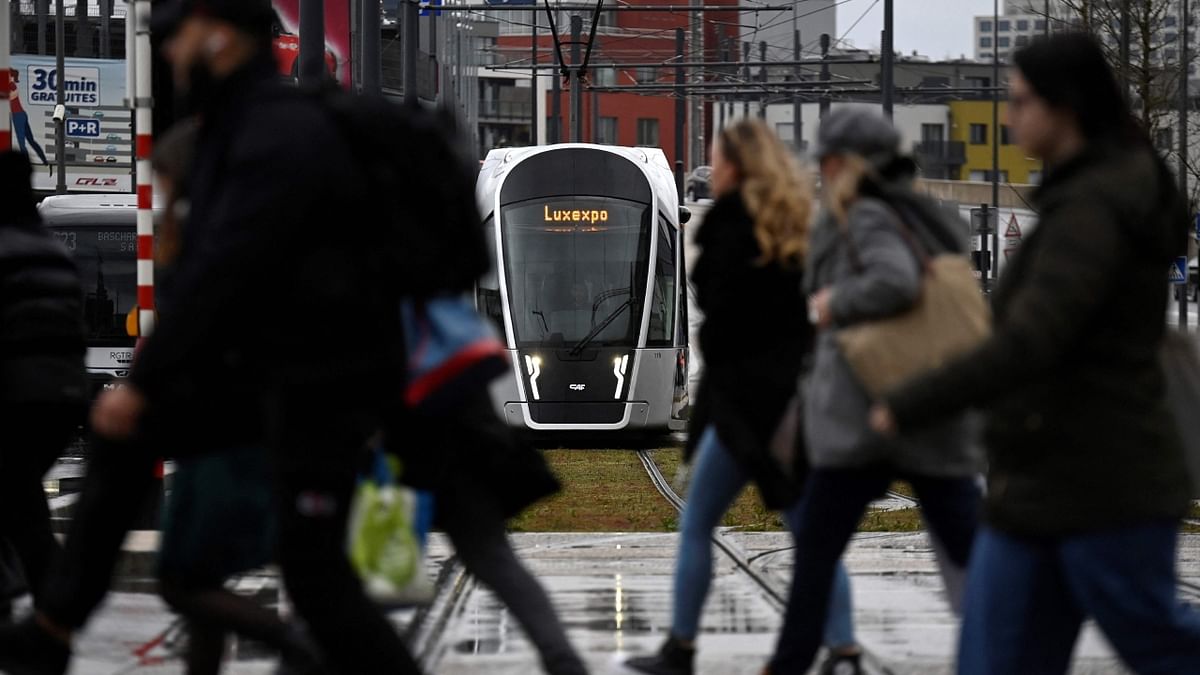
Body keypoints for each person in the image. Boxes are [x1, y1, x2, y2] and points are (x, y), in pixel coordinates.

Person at [0, 1, 422, 673]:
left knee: (314, 582)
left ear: (221, 36)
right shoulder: (243, 129)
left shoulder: (270, 135)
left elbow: (222, 273)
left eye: (175, 38)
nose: (168, 54)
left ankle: (56, 624)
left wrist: (144, 382)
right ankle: (55, 622)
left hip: (314, 394)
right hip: (288, 384)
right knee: (258, 563)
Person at [871, 33, 1200, 675]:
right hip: (1041, 481)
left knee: (1156, 640)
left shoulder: (1097, 207)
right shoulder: (1082, 196)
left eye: (1021, 100)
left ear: (1065, 107)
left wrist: (909, 404)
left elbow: (1030, 339)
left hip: (1103, 482)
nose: (1009, 116)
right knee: (996, 658)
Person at [626, 119, 863, 675]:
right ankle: (846, 649)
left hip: (740, 409)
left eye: (717, 158)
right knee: (812, 535)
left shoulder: (729, 230)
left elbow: (724, 326)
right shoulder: (795, 226)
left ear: (734, 166)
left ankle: (679, 649)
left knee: (698, 524)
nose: (712, 167)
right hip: (788, 405)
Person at [766, 108, 983, 675]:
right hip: (921, 409)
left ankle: (787, 664)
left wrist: (833, 303)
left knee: (817, 551)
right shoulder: (920, 211)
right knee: (969, 547)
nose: (823, 172)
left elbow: (894, 280)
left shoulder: (866, 215)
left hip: (873, 413)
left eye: (829, 162)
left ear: (847, 164)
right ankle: (1014, 646)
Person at [147, 120, 326, 675]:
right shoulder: (253, 237)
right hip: (237, 430)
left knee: (183, 579)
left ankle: (295, 643)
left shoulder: (215, 247)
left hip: (223, 433)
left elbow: (195, 331)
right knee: (208, 578)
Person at [392, 390, 588, 675]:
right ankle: (565, 662)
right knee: (494, 559)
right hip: (465, 445)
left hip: (413, 446)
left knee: (337, 573)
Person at [0, 151, 86, 617]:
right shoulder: (55, 250)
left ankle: (50, 610)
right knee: (22, 500)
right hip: (64, 402)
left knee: (19, 503)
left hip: (18, 398)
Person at [7, 71, 51, 167]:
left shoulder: (12, 85)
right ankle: (44, 160)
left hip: (18, 115)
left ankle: (25, 164)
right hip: (20, 114)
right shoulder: (10, 85)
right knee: (30, 140)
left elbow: (11, 96)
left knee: (22, 142)